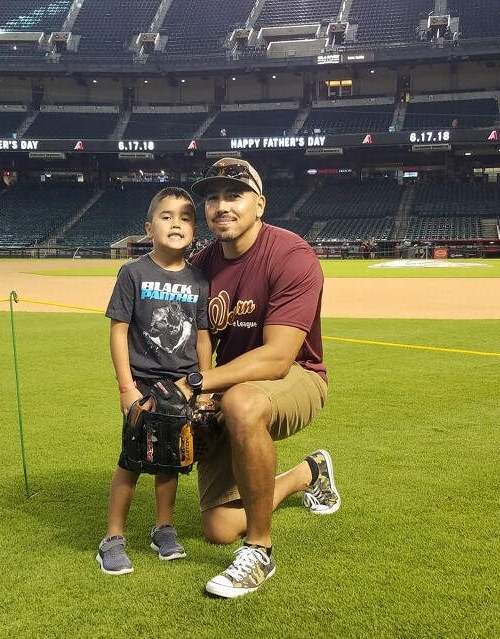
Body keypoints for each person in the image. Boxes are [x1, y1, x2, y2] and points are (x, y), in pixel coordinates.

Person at [175, 158, 340, 598]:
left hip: (299, 377)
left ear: (260, 204)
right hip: (223, 389)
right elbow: (193, 344)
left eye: (234, 195)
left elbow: (277, 358)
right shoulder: (200, 265)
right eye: (212, 197)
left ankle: (260, 551)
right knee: (219, 526)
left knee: (243, 402)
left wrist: (199, 383)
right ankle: (310, 472)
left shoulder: (291, 255)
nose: (221, 206)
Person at [97, 186, 212, 576]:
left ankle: (163, 528)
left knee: (169, 461)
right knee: (131, 460)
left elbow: (201, 337)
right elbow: (118, 332)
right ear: (148, 227)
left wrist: (204, 387)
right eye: (166, 216)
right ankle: (113, 537)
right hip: (142, 384)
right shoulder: (133, 272)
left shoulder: (199, 280)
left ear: (194, 231)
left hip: (180, 387)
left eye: (184, 217)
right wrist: (125, 388)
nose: (175, 223)